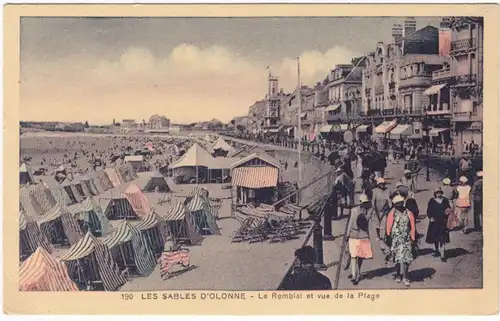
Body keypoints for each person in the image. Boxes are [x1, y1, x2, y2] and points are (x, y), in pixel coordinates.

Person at [385, 194, 417, 287]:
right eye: (397, 204)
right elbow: (388, 227)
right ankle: (398, 275)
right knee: (397, 259)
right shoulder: (392, 213)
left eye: (401, 204)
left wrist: (412, 238)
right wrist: (389, 239)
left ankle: (406, 277)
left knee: (406, 259)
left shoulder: (409, 213)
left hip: (406, 239)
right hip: (395, 239)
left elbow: (412, 227)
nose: (399, 206)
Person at [346, 194, 373, 285]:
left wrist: (364, 213)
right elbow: (350, 222)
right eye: (363, 203)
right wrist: (347, 233)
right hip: (353, 234)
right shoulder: (353, 210)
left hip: (363, 235)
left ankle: (358, 271)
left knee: (360, 256)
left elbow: (365, 221)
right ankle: (354, 275)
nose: (365, 204)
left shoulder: (369, 210)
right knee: (353, 256)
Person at [425, 187, 452, 262]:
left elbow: (448, 208)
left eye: (440, 192)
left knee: (442, 239)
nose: (439, 194)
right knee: (435, 238)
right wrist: (430, 217)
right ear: (435, 194)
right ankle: (436, 249)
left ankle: (443, 255)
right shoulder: (431, 201)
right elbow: (429, 211)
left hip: (443, 222)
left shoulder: (445, 200)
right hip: (434, 222)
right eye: (437, 192)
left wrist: (448, 211)